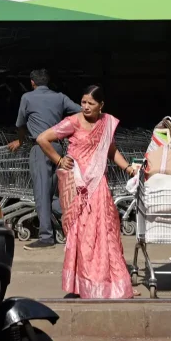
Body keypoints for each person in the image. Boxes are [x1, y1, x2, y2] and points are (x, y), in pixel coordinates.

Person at [36, 86, 137, 299]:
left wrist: (127, 168)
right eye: (83, 102)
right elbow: (42, 138)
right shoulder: (72, 122)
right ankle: (83, 283)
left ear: (101, 105)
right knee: (80, 233)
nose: (86, 107)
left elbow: (111, 150)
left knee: (104, 230)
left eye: (91, 103)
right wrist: (59, 160)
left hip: (98, 185)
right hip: (77, 185)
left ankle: (109, 284)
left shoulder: (106, 122)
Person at [8, 69, 81, 250]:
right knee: (53, 194)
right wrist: (67, 130)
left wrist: (21, 140)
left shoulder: (27, 98)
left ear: (32, 82)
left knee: (41, 193)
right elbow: (81, 112)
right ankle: (80, 222)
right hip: (57, 148)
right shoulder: (60, 97)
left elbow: (20, 124)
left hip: (40, 149)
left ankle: (46, 237)